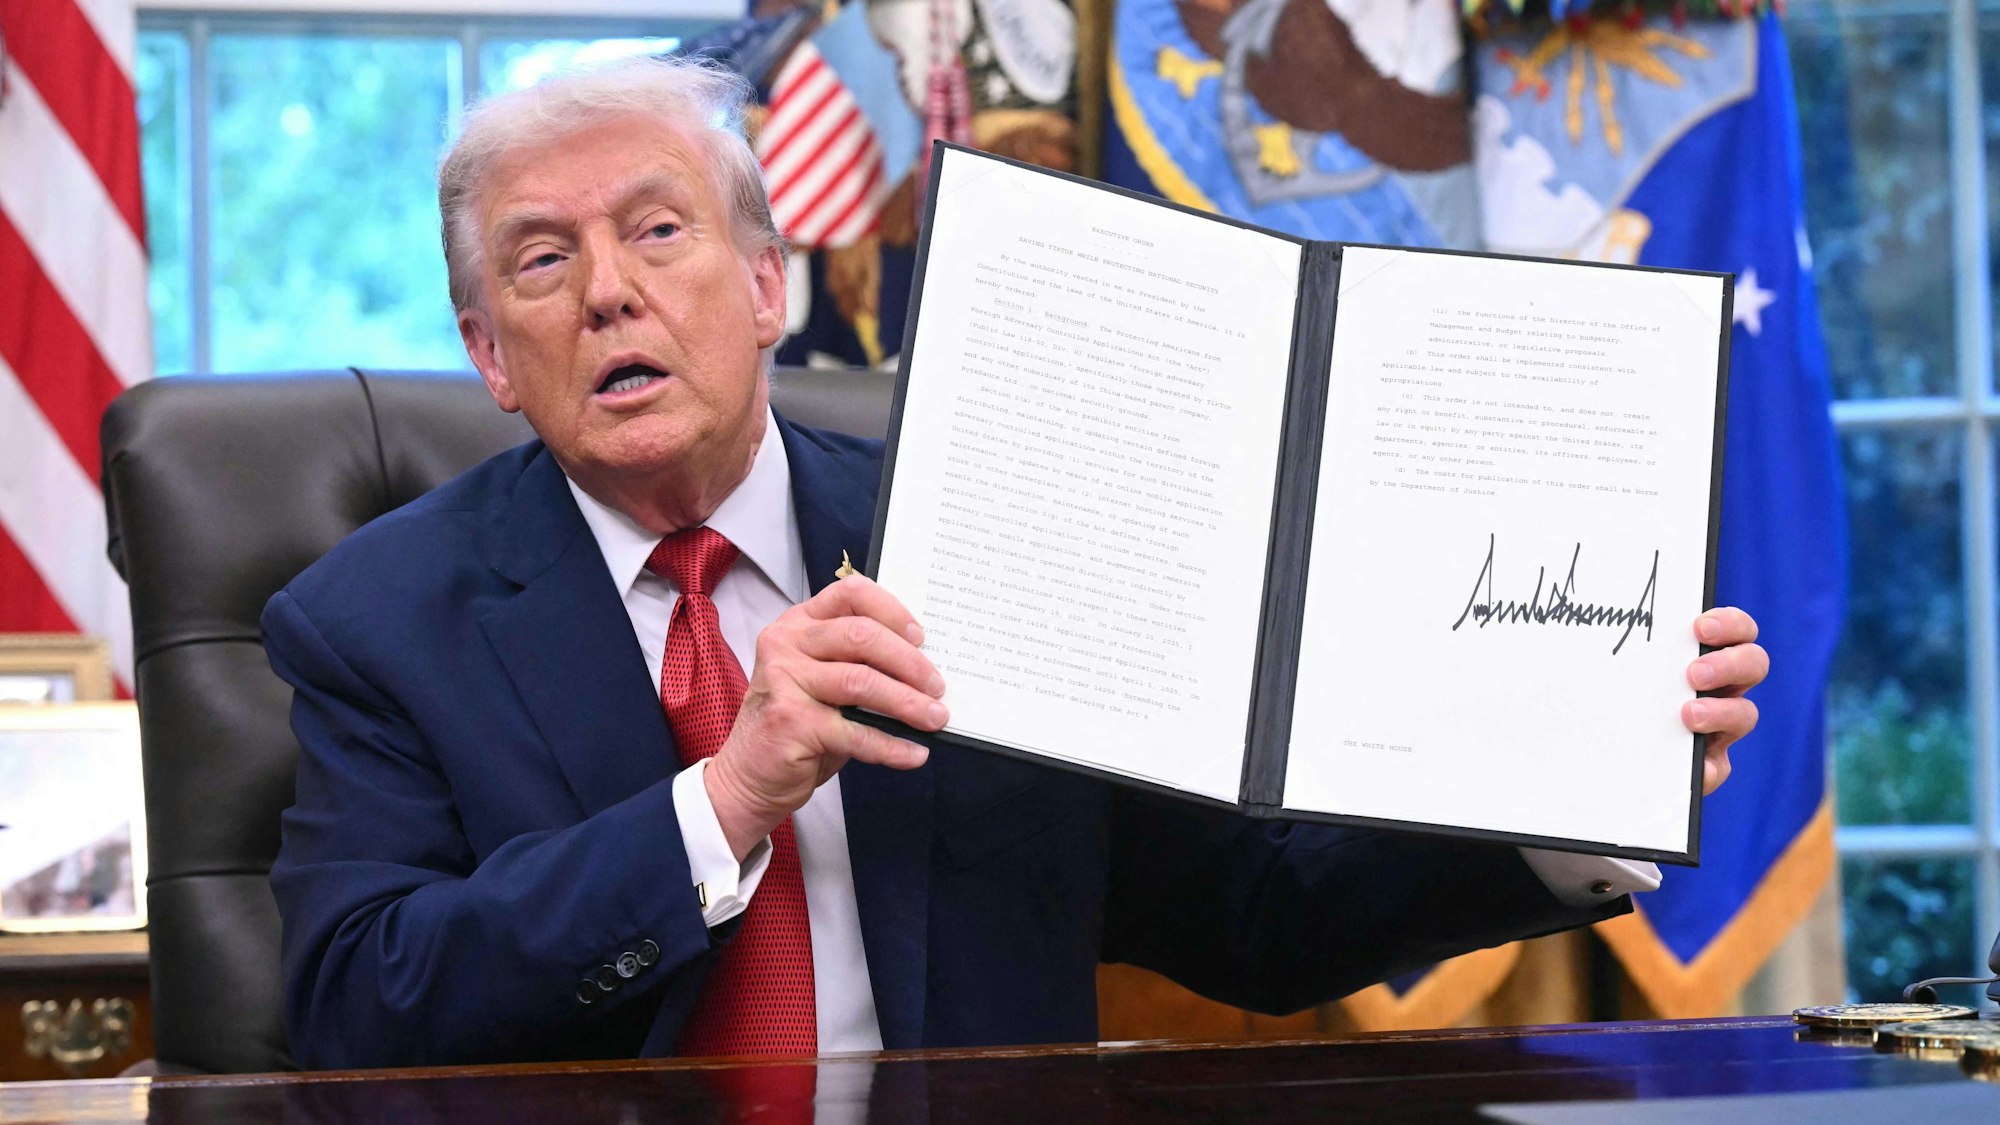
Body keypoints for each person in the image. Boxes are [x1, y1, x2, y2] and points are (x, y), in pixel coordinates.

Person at [264, 57, 1769, 1070]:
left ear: (771, 282)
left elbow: (1249, 913)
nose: (608, 292)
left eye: (660, 232)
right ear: (490, 359)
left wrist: (1575, 791)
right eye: (542, 260)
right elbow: (353, 1002)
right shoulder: (374, 622)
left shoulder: (994, 525)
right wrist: (727, 797)